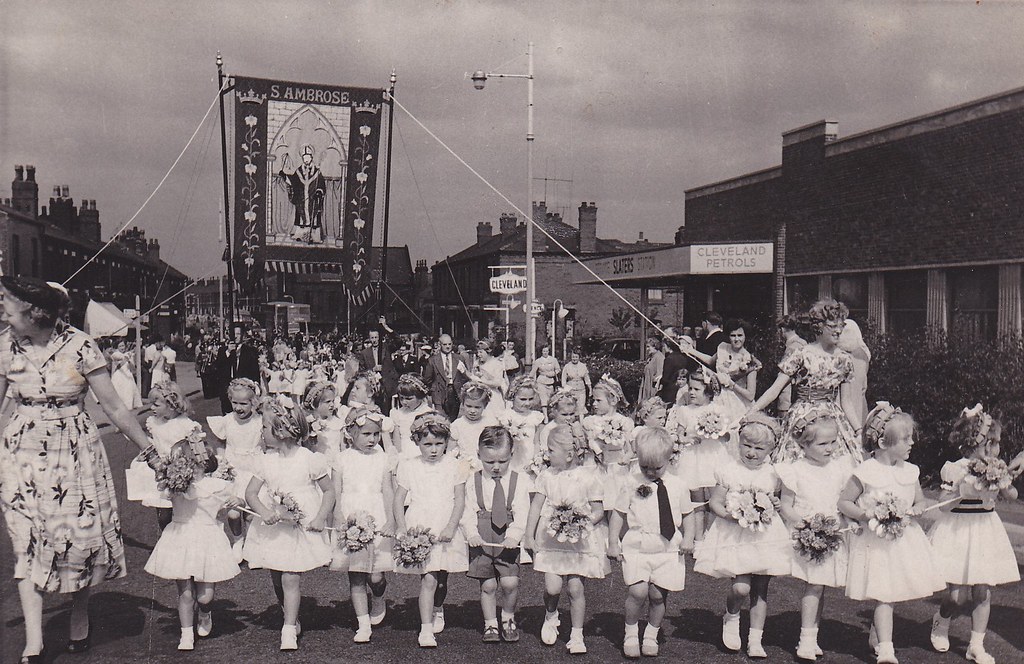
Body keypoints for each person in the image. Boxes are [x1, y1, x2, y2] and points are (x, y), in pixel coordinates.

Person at [0, 276, 155, 662]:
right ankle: (34, 640)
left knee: (75, 543)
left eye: (7, 303)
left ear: (34, 312)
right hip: (22, 453)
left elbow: (116, 408)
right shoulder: (4, 345)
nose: (2, 309)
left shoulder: (81, 347)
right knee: (27, 541)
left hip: (74, 452)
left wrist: (150, 450)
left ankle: (80, 611)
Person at [838, 403, 944, 664]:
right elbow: (844, 503)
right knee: (884, 594)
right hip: (875, 542)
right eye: (905, 439)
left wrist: (918, 508)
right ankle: (886, 648)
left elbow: (920, 500)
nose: (912, 444)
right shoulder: (866, 471)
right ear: (883, 443)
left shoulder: (911, 471)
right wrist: (867, 515)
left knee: (891, 593)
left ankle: (877, 633)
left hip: (903, 541)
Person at [928, 405, 1020, 664]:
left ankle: (976, 645)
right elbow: (943, 503)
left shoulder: (997, 467)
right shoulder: (955, 468)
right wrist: (961, 488)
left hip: (985, 532)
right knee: (956, 597)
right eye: (995, 443)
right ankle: (942, 619)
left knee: (982, 592)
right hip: (958, 532)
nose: (998, 449)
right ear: (980, 443)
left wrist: (1004, 479)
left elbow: (1011, 495)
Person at [694, 413, 790, 659]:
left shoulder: (773, 473)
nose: (752, 453)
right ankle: (732, 615)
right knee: (741, 587)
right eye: (747, 445)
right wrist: (730, 514)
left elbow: (775, 500)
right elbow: (714, 503)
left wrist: (774, 504)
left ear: (770, 449)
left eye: (759, 448)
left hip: (763, 536)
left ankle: (755, 639)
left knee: (760, 588)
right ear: (739, 443)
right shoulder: (729, 470)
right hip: (735, 535)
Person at [243, 397, 336, 651]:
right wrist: (264, 512)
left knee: (290, 576)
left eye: (264, 427)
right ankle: (290, 615)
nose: (261, 431)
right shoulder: (265, 460)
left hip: (300, 524)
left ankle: (288, 629)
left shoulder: (309, 459)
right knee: (277, 574)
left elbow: (329, 491)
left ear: (281, 431)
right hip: (274, 526)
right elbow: (250, 494)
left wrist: (319, 517)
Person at [143, 439, 243, 651]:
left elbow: (238, 499)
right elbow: (159, 496)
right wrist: (165, 480)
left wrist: (237, 501)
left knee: (205, 597)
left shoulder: (218, 486)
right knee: (185, 593)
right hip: (181, 538)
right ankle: (186, 634)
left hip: (208, 540)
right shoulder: (175, 487)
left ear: (201, 463)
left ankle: (205, 612)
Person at [608, 427, 696, 659]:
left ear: (669, 459)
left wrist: (688, 538)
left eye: (656, 468)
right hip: (638, 545)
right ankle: (630, 633)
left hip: (667, 549)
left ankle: (651, 634)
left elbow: (688, 514)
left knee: (658, 595)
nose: (650, 472)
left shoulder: (678, 485)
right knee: (637, 592)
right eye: (644, 467)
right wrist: (613, 542)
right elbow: (618, 513)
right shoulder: (631, 481)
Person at [524, 425, 609, 654]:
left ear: (569, 454)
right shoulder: (546, 476)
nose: (546, 454)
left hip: (578, 541)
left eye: (551, 450)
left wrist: (581, 523)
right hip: (551, 540)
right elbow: (536, 506)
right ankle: (551, 615)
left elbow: (599, 510)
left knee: (575, 589)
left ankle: (577, 634)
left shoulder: (589, 477)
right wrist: (528, 535)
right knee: (552, 588)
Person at [776, 414, 855, 661]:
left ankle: (813, 635)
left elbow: (844, 502)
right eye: (822, 444)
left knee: (820, 586)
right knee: (816, 584)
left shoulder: (840, 469)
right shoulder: (795, 471)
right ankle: (806, 640)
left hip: (831, 534)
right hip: (807, 535)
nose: (830, 448)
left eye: (833, 442)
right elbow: (786, 507)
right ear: (804, 445)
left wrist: (850, 522)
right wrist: (806, 526)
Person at [749, 299, 863, 463]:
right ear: (819, 327)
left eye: (841, 325)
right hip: (803, 417)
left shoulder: (845, 359)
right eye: (832, 326)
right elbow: (775, 390)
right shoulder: (801, 354)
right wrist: (751, 412)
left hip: (832, 419)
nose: (838, 330)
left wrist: (858, 430)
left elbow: (846, 402)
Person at [393, 412, 470, 648]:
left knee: (441, 579)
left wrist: (451, 526)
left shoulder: (456, 465)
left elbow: (459, 500)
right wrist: (402, 527)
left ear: (447, 441)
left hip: (446, 522)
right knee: (428, 578)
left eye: (439, 443)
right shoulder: (408, 466)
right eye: (427, 444)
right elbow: (398, 500)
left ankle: (438, 607)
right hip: (421, 522)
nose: (434, 449)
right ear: (417, 442)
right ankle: (426, 630)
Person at [330, 406, 396, 643]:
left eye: (376, 434)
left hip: (376, 512)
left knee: (376, 576)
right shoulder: (341, 458)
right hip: (351, 514)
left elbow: (388, 490)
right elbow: (336, 489)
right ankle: (363, 623)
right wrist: (337, 512)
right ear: (351, 433)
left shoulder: (383, 458)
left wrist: (391, 518)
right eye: (366, 434)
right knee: (356, 574)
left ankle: (378, 596)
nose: (372, 439)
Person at [461, 426, 531, 644]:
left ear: (511, 454)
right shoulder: (473, 481)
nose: (496, 467)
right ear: (479, 454)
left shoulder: (520, 481)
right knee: (488, 585)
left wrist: (514, 535)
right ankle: (490, 623)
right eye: (489, 462)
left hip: (507, 536)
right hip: (483, 536)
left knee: (510, 583)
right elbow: (467, 511)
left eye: (502, 461)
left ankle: (508, 617)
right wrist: (471, 533)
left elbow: (523, 512)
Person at [129, 382, 206, 531]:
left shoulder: (186, 424)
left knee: (183, 512)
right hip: (161, 471)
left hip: (182, 473)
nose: (151, 408)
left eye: (156, 405)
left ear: (171, 405)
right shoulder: (154, 422)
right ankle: (165, 539)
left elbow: (199, 450)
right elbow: (154, 442)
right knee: (163, 511)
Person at [206, 378, 264, 558]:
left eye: (244, 404)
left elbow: (265, 446)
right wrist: (221, 462)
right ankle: (238, 540)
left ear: (253, 403)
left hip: (253, 470)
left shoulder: (259, 422)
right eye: (235, 402)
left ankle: (253, 545)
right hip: (233, 471)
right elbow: (220, 442)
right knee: (232, 513)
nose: (238, 407)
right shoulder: (227, 421)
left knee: (250, 513)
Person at [713, 319, 762, 424]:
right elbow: (710, 361)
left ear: (745, 337)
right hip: (720, 398)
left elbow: (750, 396)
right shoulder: (722, 348)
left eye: (740, 335)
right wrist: (690, 350)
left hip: (738, 403)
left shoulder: (749, 359)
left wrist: (732, 385)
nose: (736, 339)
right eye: (732, 335)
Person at [498, 375, 545, 473]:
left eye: (530, 399)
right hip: (511, 458)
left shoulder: (535, 417)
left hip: (529, 456)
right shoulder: (506, 416)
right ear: (513, 396)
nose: (527, 403)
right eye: (523, 399)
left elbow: (536, 442)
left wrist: (534, 461)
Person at [280, 144, 326, 243]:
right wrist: (284, 176)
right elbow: (293, 181)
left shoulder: (317, 173)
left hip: (313, 200)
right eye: (304, 157)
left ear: (311, 157)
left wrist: (319, 192)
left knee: (313, 217)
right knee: (301, 216)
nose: (306, 159)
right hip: (302, 199)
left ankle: (315, 237)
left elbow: (322, 185)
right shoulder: (298, 171)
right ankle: (300, 235)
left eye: (308, 157)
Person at [450, 382, 500, 463]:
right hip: (464, 462)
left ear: (485, 406)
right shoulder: (457, 425)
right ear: (462, 404)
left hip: (485, 462)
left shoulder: (490, 423)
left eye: (477, 407)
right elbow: (451, 449)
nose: (472, 411)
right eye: (468, 406)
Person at [837, 318, 871, 429]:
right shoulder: (864, 356)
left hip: (840, 404)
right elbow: (864, 386)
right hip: (859, 405)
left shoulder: (837, 356)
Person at [391, 373, 435, 458]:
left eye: (409, 398)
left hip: (421, 452)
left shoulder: (427, 413)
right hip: (403, 452)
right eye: (401, 398)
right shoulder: (398, 413)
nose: (404, 402)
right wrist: (399, 455)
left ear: (420, 397)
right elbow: (396, 438)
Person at [462, 339, 507, 420]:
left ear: (488, 352)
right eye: (478, 352)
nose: (479, 355)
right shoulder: (477, 363)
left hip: (492, 396)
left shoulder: (496, 364)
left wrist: (481, 381)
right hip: (479, 394)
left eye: (481, 352)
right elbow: (473, 376)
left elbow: (497, 382)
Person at [358, 328, 399, 414]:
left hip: (387, 385)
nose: (374, 340)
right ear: (369, 338)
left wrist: (386, 327)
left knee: (387, 411)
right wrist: (372, 370)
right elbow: (361, 371)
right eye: (372, 338)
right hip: (373, 387)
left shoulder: (387, 348)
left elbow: (398, 341)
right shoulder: (364, 353)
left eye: (376, 337)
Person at [423, 334, 462, 420]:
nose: (448, 347)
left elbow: (465, 376)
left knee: (454, 418)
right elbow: (427, 379)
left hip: (455, 392)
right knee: (441, 419)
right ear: (440, 345)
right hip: (439, 392)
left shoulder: (459, 358)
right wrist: (434, 389)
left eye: (449, 344)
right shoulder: (433, 360)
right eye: (445, 344)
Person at [775, 315, 807, 416]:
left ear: (782, 330)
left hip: (789, 395)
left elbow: (785, 375)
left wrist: (783, 405)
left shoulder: (792, 347)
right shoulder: (802, 343)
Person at [109, 339, 143, 409]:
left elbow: (133, 367)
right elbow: (120, 357)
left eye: (123, 345)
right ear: (117, 347)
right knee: (120, 393)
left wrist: (130, 359)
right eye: (120, 346)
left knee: (129, 393)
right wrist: (129, 355)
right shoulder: (115, 354)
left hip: (128, 375)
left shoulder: (128, 354)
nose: (122, 347)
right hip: (119, 376)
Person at [561, 348, 591, 418]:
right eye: (573, 357)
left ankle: (581, 424)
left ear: (579, 358)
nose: (574, 358)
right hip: (571, 390)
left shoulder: (583, 366)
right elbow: (563, 379)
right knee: (572, 408)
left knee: (581, 408)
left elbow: (587, 378)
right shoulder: (567, 366)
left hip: (581, 390)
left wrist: (590, 389)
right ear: (571, 357)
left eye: (576, 357)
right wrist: (565, 390)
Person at [531, 345, 561, 414]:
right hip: (541, 381)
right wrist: (530, 380)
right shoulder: (538, 361)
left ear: (548, 351)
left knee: (550, 399)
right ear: (541, 352)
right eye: (544, 351)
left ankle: (549, 414)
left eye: (546, 351)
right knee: (543, 399)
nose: (545, 352)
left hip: (551, 382)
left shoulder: (553, 360)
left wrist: (554, 373)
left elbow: (558, 369)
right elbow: (533, 372)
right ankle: (545, 417)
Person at [637, 337, 665, 407]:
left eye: (648, 347)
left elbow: (660, 375)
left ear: (654, 346)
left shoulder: (659, 357)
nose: (647, 349)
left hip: (652, 388)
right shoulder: (651, 357)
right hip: (646, 385)